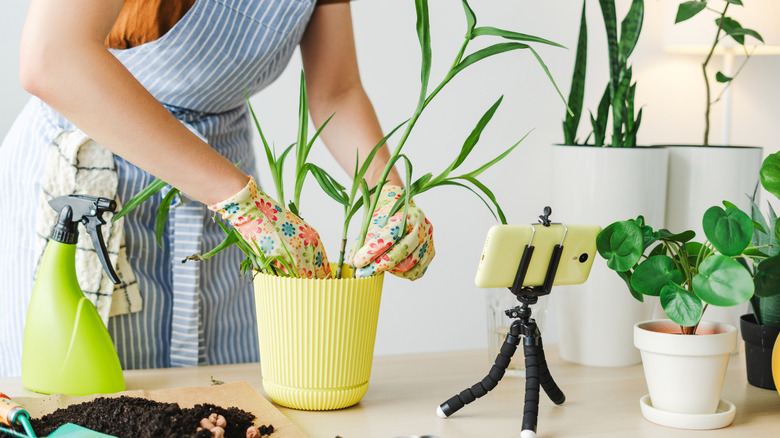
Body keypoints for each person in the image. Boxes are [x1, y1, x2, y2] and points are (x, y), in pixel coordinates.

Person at [0, 0, 434, 377]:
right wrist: (241, 202)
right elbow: (51, 58)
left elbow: (337, 91)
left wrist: (388, 191)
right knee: (97, 403)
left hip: (227, 191)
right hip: (99, 186)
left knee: (229, 398)